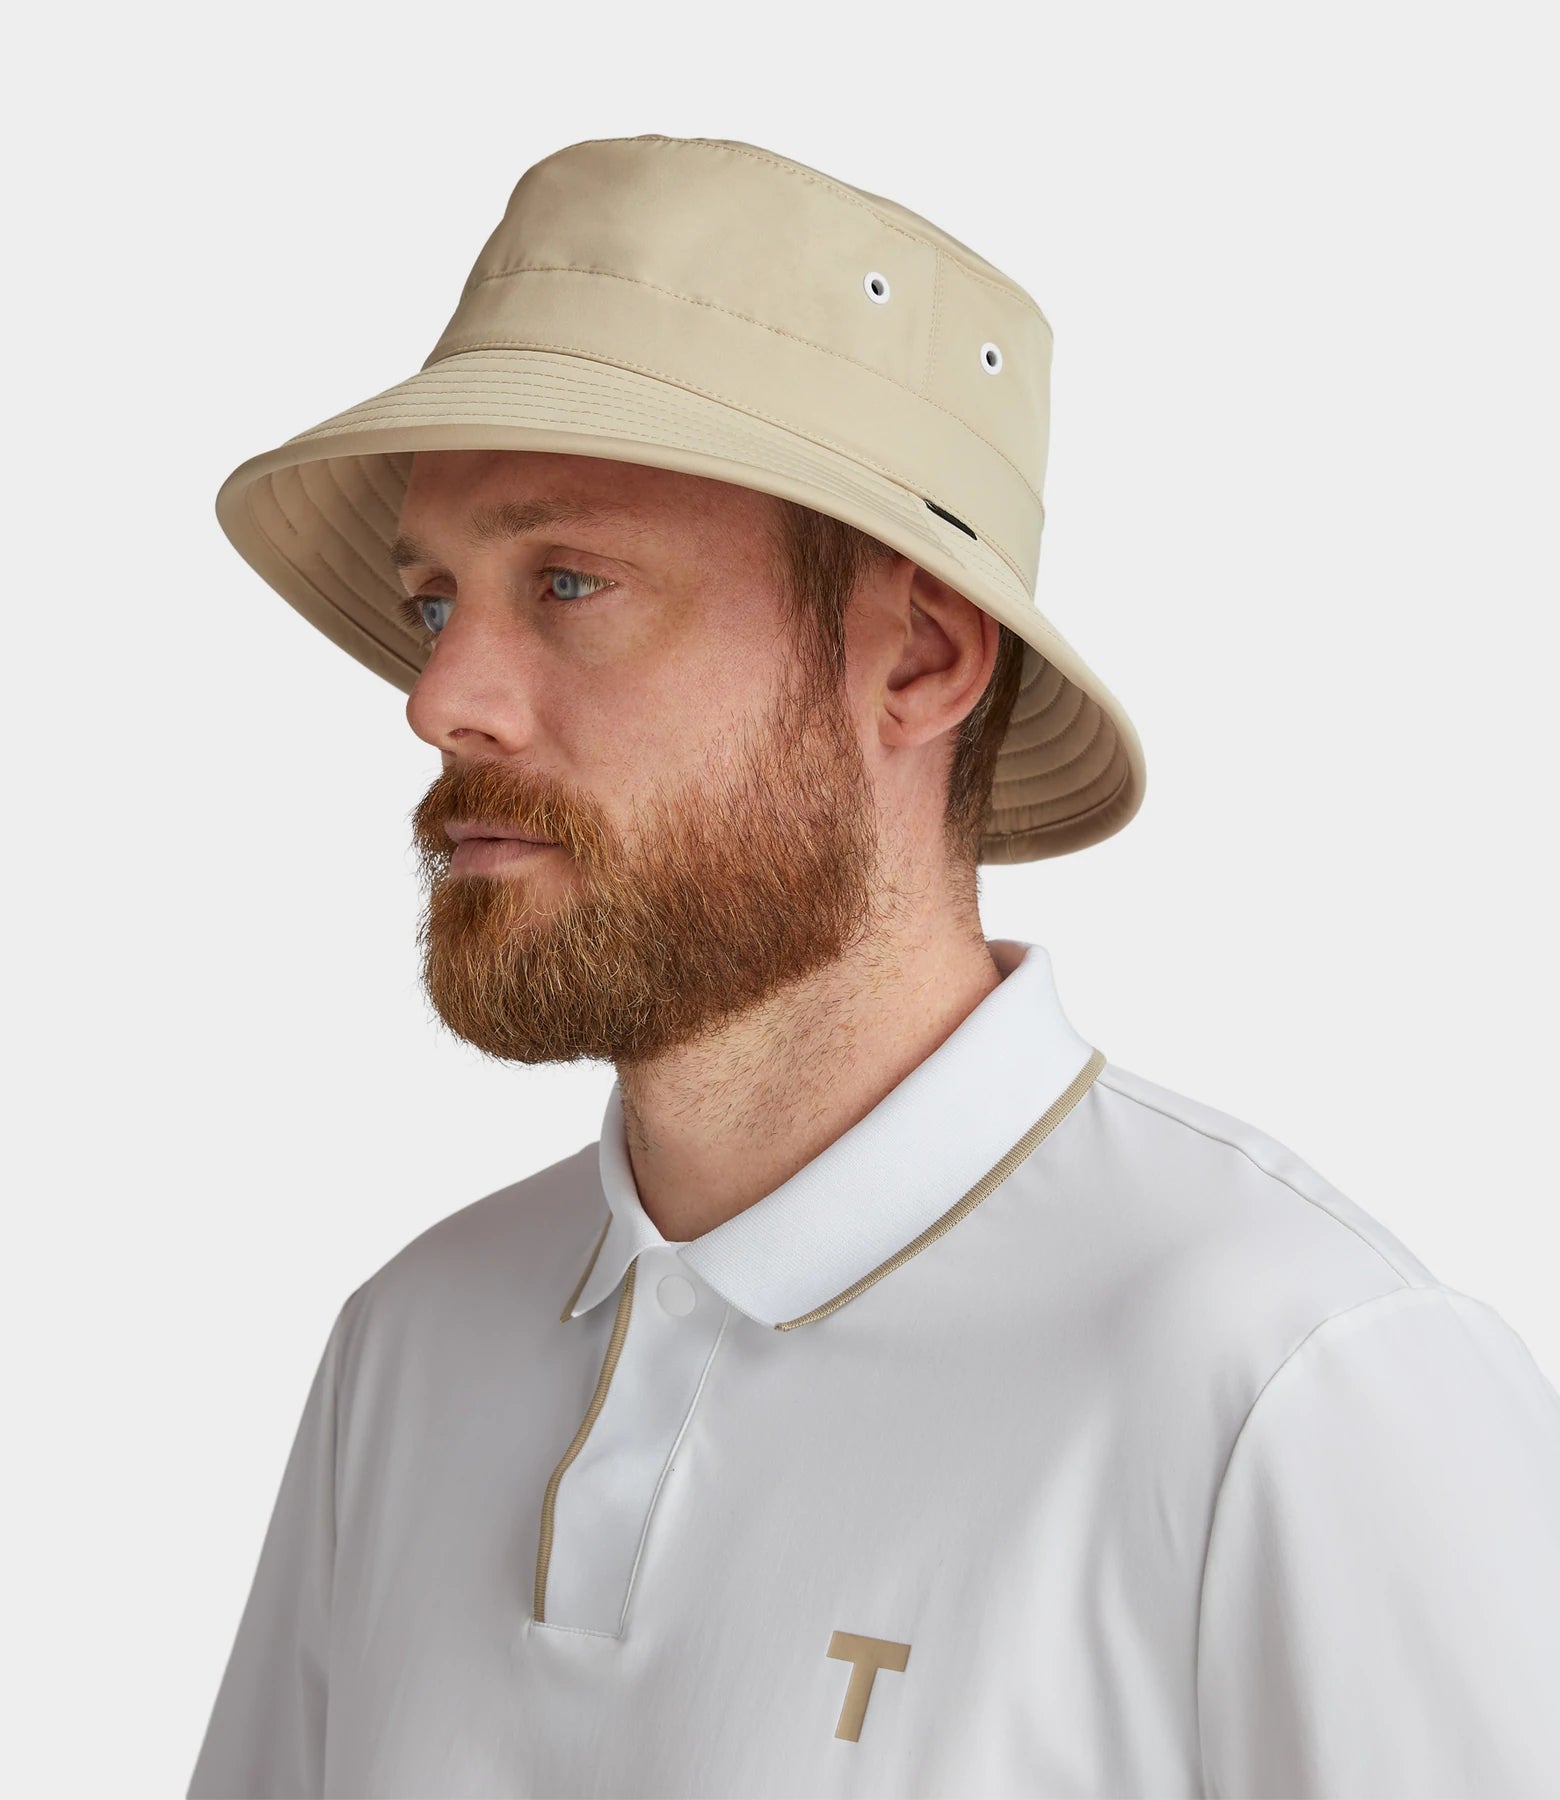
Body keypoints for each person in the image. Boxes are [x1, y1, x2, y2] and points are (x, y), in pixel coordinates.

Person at [187, 135, 1560, 1799]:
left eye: (568, 581)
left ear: (917, 659)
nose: (440, 701)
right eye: (433, 605)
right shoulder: (412, 1349)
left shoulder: (1291, 1383)